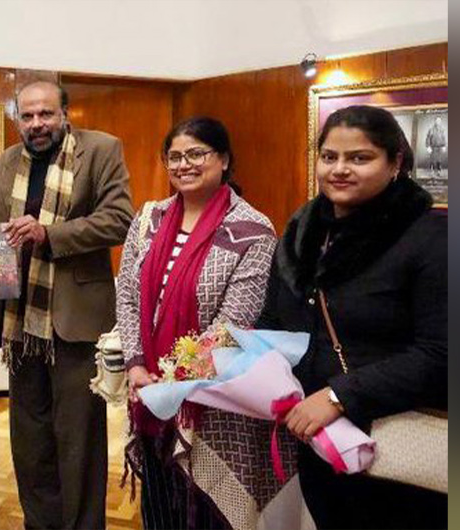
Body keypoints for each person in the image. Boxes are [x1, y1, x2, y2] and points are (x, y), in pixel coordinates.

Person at [257, 105, 447, 528]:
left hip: (397, 444)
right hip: (319, 444)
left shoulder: (432, 240)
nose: (340, 169)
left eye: (360, 158)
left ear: (395, 162)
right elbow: (275, 320)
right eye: (330, 157)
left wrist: (339, 395)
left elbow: (442, 354)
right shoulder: (302, 235)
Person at [0, 80, 134, 529]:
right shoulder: (5, 162)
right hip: (19, 321)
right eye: (27, 116)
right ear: (17, 119)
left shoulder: (101, 149)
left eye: (46, 114)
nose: (36, 124)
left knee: (78, 441)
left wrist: (49, 235)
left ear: (65, 113)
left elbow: (119, 219)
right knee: (30, 440)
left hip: (74, 322)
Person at [115, 116, 280, 529]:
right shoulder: (150, 217)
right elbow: (128, 296)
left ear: (223, 159)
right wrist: (137, 367)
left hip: (213, 403)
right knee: (158, 505)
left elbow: (235, 321)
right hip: (148, 390)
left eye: (196, 154)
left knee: (205, 512)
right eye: (174, 157)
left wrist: (178, 382)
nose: (184, 164)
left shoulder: (252, 230)